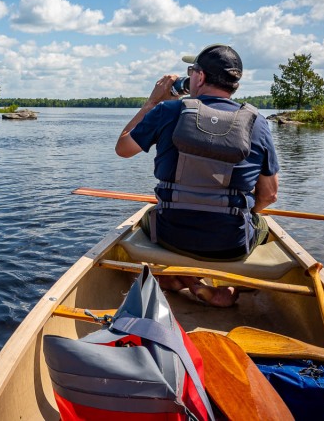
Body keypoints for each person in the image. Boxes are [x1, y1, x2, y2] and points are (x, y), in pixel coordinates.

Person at [115, 44, 279, 307]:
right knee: (262, 226)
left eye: (191, 72)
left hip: (171, 236)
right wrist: (247, 212)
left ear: (200, 78)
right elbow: (269, 195)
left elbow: (123, 148)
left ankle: (185, 278)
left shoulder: (166, 111)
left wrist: (152, 102)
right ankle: (228, 285)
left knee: (149, 215)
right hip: (231, 243)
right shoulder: (257, 122)